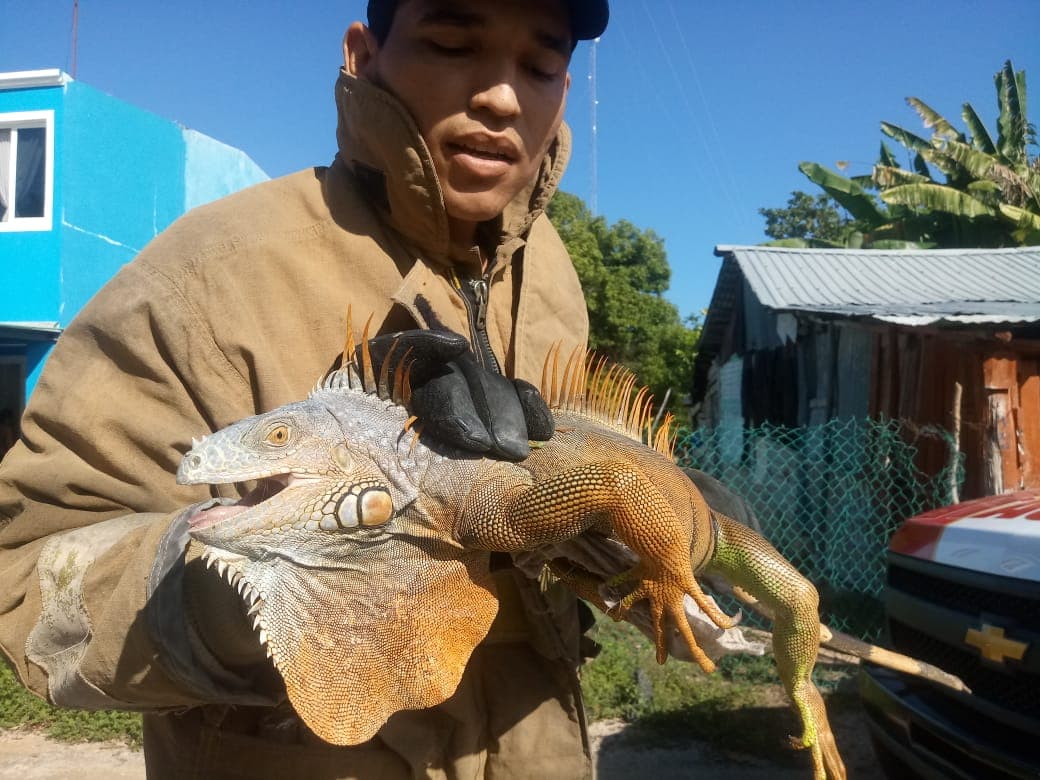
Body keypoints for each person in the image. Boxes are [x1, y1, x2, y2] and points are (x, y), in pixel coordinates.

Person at [0, 1, 610, 777]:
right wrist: (289, 563)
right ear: (362, 54)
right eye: (454, 42)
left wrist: (635, 534)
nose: (500, 94)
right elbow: (25, 581)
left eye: (541, 63)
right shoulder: (207, 275)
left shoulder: (552, 276)